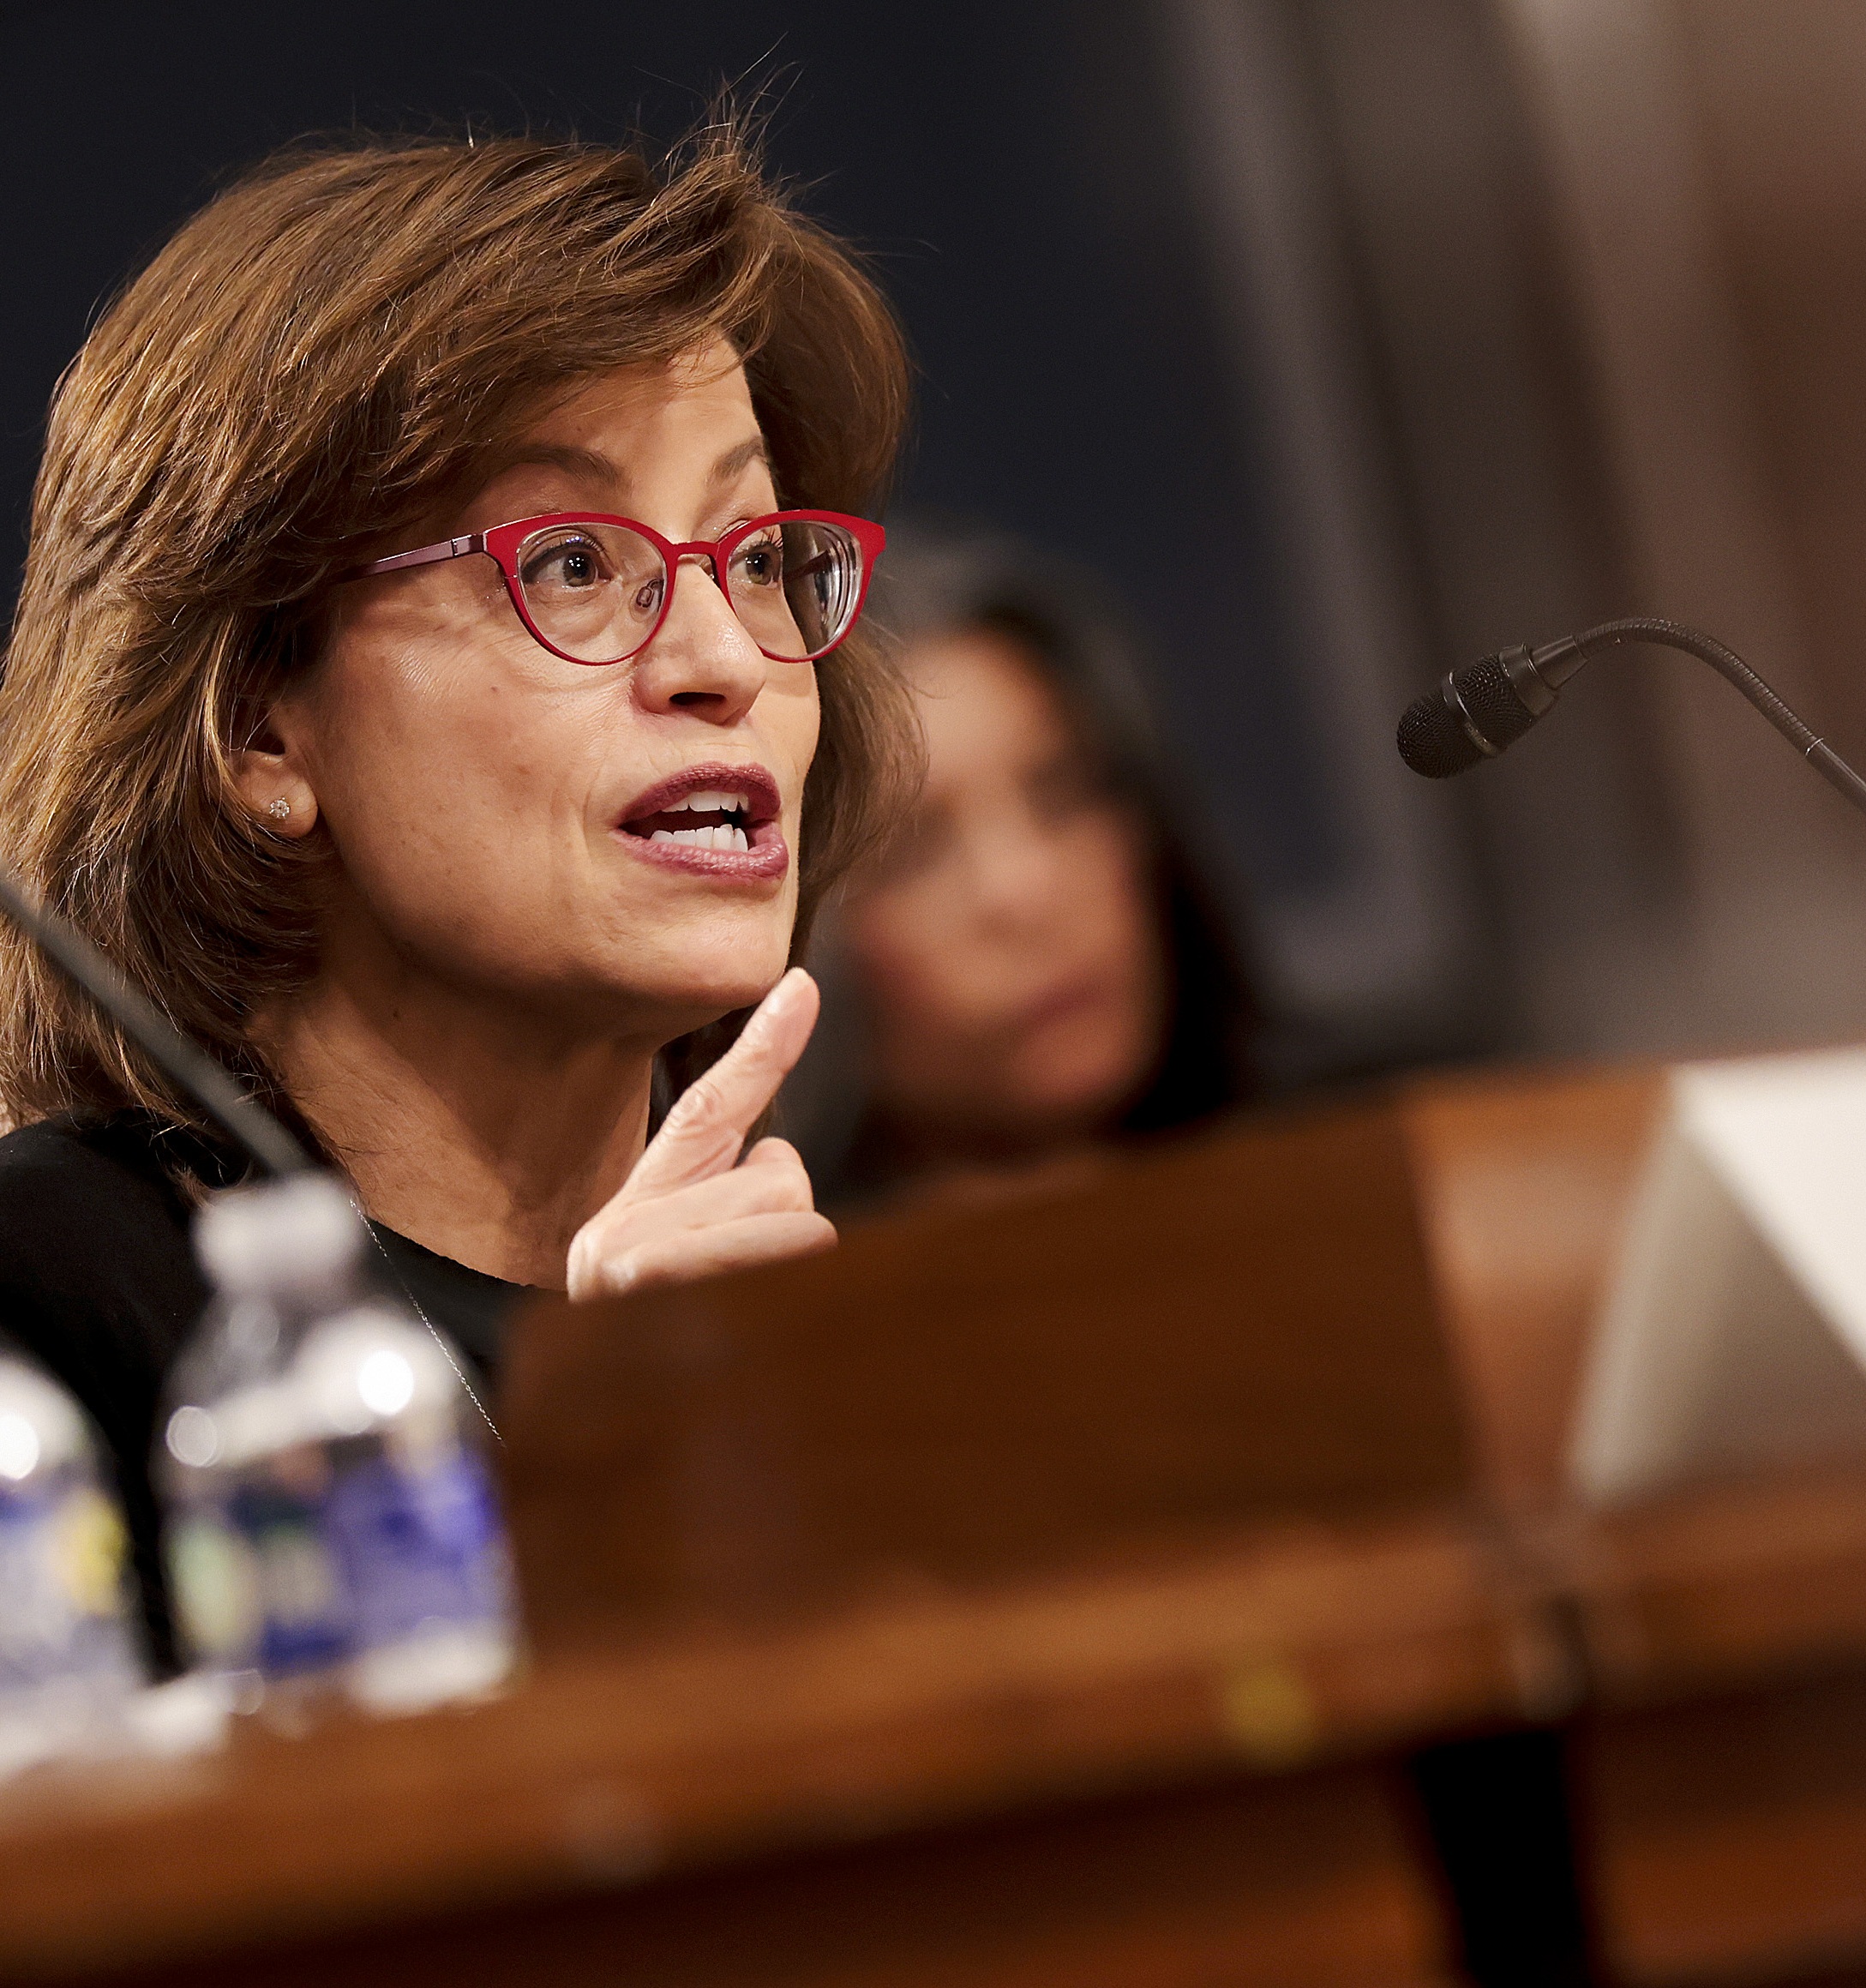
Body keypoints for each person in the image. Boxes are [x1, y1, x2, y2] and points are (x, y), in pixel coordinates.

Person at [0, 124, 915, 1665]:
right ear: (258, 723)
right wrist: (599, 1496)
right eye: (569, 561)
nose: (725, 658)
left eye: (756, 556)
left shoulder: (827, 1297)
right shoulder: (55, 1309)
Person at [787, 528, 1257, 1207]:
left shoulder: (1378, 1175)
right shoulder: (736, 1304)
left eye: (1061, 794)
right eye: (914, 853)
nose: (1024, 891)